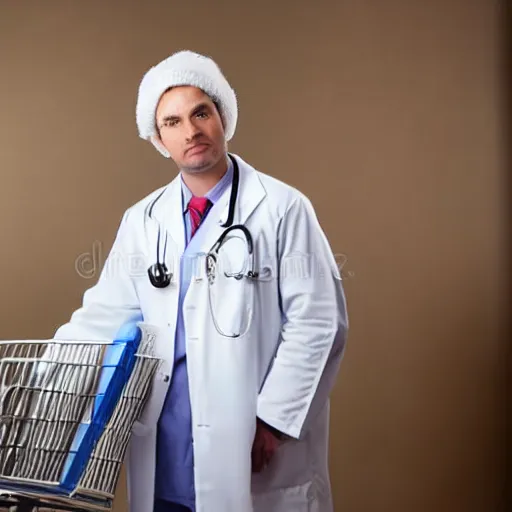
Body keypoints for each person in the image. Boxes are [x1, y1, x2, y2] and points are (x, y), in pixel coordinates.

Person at [54, 50, 349, 512]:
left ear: (222, 117)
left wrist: (272, 421)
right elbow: (102, 318)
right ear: (158, 139)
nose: (190, 131)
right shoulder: (143, 220)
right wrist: (38, 375)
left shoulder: (282, 208)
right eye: (172, 122)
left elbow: (317, 321)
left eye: (200, 113)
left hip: (251, 438)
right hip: (167, 439)